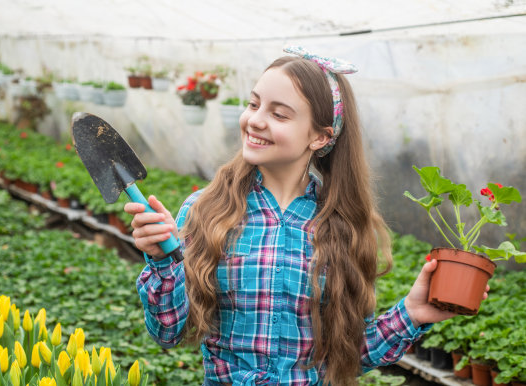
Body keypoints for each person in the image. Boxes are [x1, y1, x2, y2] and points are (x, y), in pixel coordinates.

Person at [125, 46, 489, 386]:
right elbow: (168, 332)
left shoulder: (342, 228)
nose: (255, 120)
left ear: (319, 137)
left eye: (278, 113)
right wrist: (162, 262)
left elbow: (349, 353)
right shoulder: (206, 210)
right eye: (253, 104)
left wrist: (412, 312)